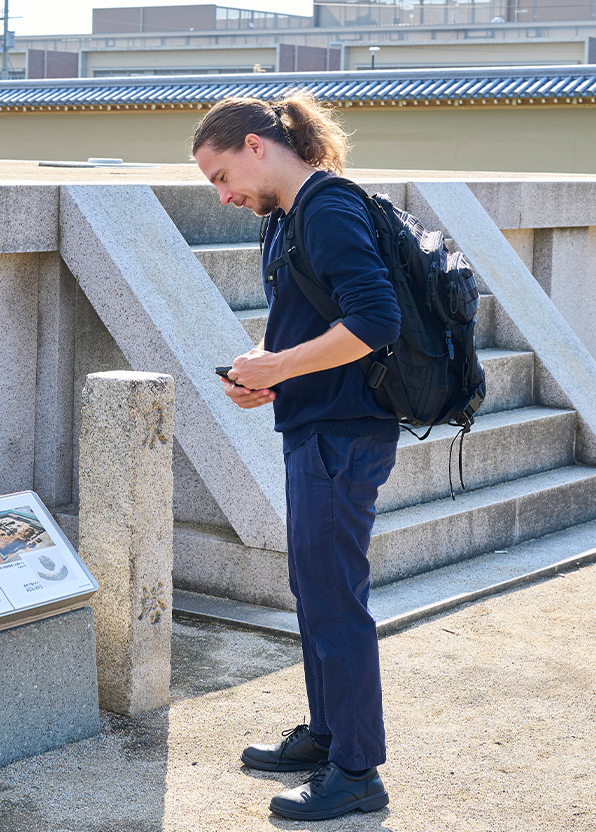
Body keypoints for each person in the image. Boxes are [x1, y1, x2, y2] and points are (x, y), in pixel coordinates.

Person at [190, 89, 399, 821]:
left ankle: (357, 771)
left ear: (256, 145)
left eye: (221, 175)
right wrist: (264, 370)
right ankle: (325, 734)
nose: (221, 195)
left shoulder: (329, 207)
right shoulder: (284, 218)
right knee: (313, 590)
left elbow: (376, 320)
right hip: (316, 424)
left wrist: (278, 371)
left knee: (335, 597)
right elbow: (305, 328)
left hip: (347, 433)